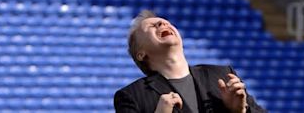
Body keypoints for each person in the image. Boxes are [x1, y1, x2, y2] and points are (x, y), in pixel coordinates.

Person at [114, 10, 266, 113]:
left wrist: (240, 111)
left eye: (166, 22)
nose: (163, 24)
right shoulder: (131, 96)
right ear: (140, 54)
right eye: (153, 26)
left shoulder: (223, 75)